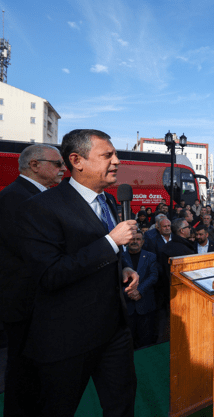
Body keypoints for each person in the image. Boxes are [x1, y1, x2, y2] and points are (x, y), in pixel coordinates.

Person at [19, 129, 140, 416]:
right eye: (107, 155)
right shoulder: (41, 208)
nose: (117, 161)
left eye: (115, 155)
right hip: (67, 338)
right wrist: (111, 242)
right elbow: (50, 274)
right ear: (77, 160)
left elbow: (106, 257)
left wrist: (124, 267)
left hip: (114, 331)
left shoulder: (109, 201)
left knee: (121, 405)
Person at [0, 144, 67, 416]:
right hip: (26, 302)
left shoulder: (26, 195)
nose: (63, 168)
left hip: (31, 301)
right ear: (35, 165)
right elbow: (31, 253)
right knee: (24, 373)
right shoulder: (18, 198)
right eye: (57, 163)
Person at [122, 231, 159, 349]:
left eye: (138, 239)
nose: (135, 242)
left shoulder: (151, 256)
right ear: (127, 242)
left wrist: (139, 291)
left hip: (145, 305)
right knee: (128, 342)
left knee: (146, 341)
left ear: (142, 242)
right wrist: (129, 292)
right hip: (127, 306)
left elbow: (153, 276)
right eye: (132, 239)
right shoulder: (120, 257)